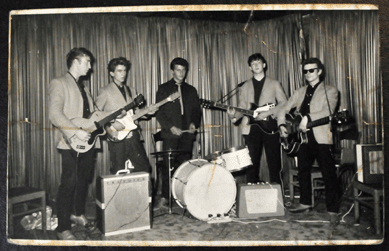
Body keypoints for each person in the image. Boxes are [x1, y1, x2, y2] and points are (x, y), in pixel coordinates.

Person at [277, 58, 340, 225]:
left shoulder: (331, 91)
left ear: (319, 71)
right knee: (302, 170)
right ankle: (305, 202)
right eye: (305, 71)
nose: (308, 74)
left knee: (328, 174)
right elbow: (284, 108)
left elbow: (328, 111)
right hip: (302, 139)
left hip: (321, 137)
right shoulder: (299, 92)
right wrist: (282, 124)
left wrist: (308, 118)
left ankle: (333, 210)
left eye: (311, 70)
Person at [48, 48, 98, 240]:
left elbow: (94, 115)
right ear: (76, 62)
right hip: (69, 142)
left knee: (83, 180)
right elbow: (54, 113)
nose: (90, 66)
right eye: (87, 62)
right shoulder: (59, 83)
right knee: (69, 183)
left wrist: (115, 117)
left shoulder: (84, 88)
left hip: (87, 143)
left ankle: (77, 214)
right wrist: (74, 131)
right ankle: (62, 227)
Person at [227, 53, 287, 184]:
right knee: (251, 163)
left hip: (270, 125)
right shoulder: (244, 86)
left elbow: (284, 103)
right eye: (253, 64)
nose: (256, 65)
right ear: (250, 67)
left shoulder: (275, 83)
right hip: (250, 127)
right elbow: (242, 107)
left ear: (264, 65)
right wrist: (233, 114)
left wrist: (269, 112)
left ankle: (277, 194)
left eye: (258, 62)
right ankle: (251, 192)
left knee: (274, 162)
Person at [95, 57, 157, 175]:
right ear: (111, 73)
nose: (123, 74)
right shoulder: (105, 91)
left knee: (144, 168)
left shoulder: (131, 90)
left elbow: (135, 113)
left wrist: (147, 112)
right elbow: (96, 114)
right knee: (118, 170)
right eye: (119, 71)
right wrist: (111, 123)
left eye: (124, 70)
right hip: (117, 136)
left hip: (133, 135)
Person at [155, 57, 202, 210]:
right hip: (170, 133)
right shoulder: (163, 89)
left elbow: (196, 111)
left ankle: (183, 196)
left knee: (184, 166)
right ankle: (164, 197)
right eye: (178, 70)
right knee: (168, 166)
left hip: (187, 134)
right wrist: (170, 127)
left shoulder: (191, 90)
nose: (181, 73)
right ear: (172, 71)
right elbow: (160, 113)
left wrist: (194, 123)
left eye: (183, 70)